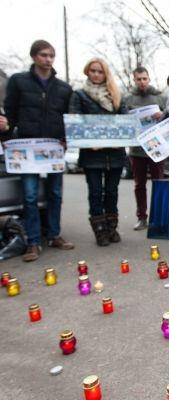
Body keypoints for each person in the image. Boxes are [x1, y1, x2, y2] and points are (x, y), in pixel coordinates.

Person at [3, 40, 74, 262]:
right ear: (34, 56)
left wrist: (66, 139)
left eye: (51, 56)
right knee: (30, 194)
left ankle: (53, 235)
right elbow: (10, 112)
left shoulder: (64, 88)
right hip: (26, 148)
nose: (48, 60)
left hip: (53, 148)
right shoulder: (18, 81)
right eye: (43, 55)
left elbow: (67, 118)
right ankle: (33, 241)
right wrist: (6, 136)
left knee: (55, 193)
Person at [69, 58, 127, 247]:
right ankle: (100, 231)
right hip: (92, 155)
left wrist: (124, 139)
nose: (95, 74)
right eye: (92, 71)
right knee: (95, 192)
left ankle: (112, 227)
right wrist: (87, 142)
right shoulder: (79, 95)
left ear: (105, 74)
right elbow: (75, 121)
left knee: (111, 192)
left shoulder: (116, 95)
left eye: (99, 71)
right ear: (87, 72)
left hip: (115, 155)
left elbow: (126, 122)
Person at [124, 66, 166, 230]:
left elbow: (168, 120)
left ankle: (159, 217)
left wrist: (161, 115)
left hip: (157, 148)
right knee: (139, 185)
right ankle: (142, 218)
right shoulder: (128, 99)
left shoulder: (160, 97)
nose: (142, 82)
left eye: (144, 78)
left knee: (159, 183)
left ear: (149, 79)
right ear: (134, 80)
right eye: (138, 79)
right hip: (137, 150)